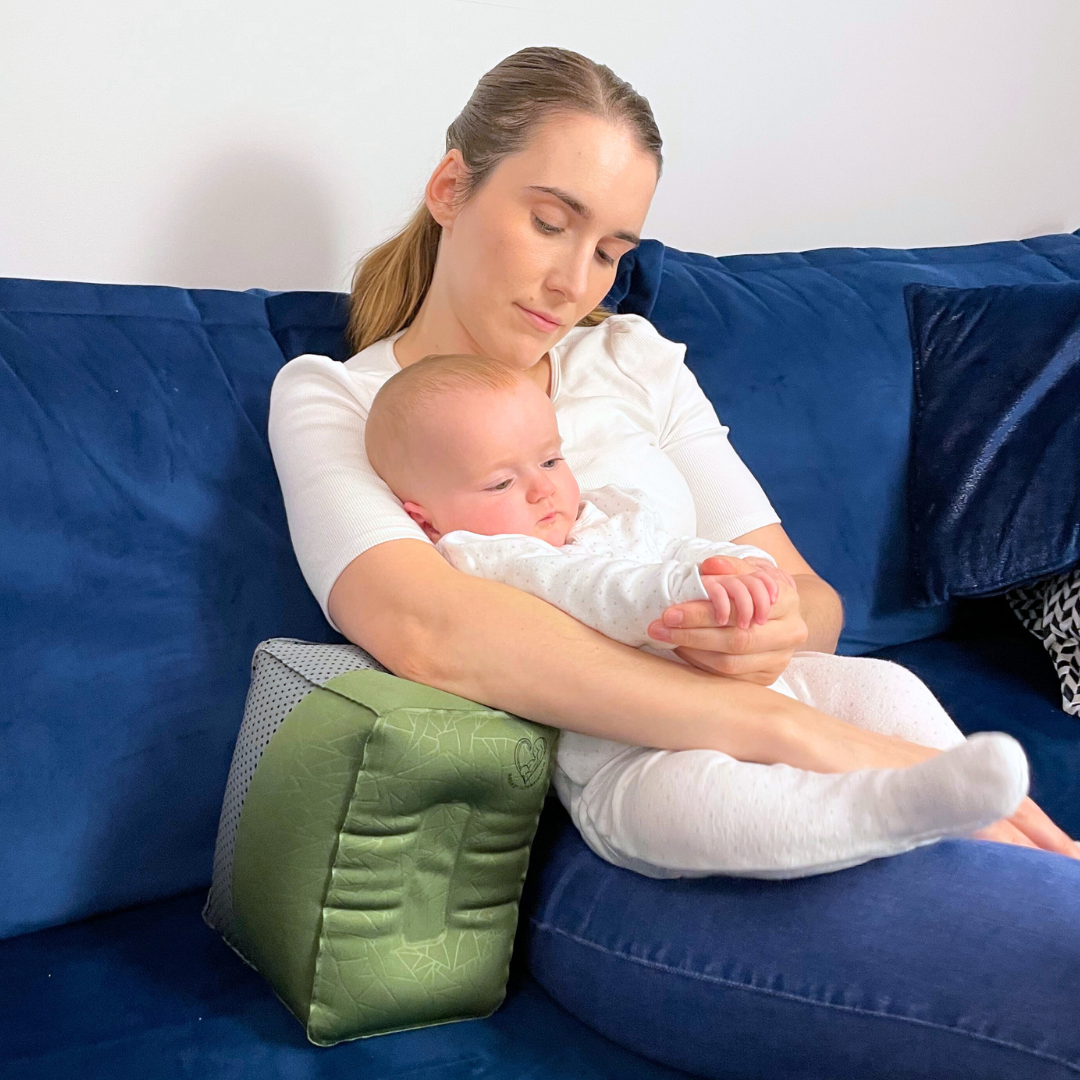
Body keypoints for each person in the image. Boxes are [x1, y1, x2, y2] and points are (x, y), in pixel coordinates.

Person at [269, 45, 1080, 1080]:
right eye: (549, 221)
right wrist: (776, 724)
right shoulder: (342, 400)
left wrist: (770, 637)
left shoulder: (634, 363)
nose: (575, 281)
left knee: (1033, 890)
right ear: (450, 187)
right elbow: (433, 627)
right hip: (606, 839)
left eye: (609, 249)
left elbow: (807, 601)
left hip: (798, 737)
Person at [363, 350, 1031, 880]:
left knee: (883, 684)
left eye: (550, 459)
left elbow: (682, 546)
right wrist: (686, 587)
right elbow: (597, 593)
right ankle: (891, 808)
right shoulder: (486, 558)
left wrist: (742, 573)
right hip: (633, 760)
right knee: (709, 806)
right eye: (501, 483)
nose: (543, 490)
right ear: (423, 515)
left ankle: (957, 779)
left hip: (754, 692)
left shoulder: (605, 509)